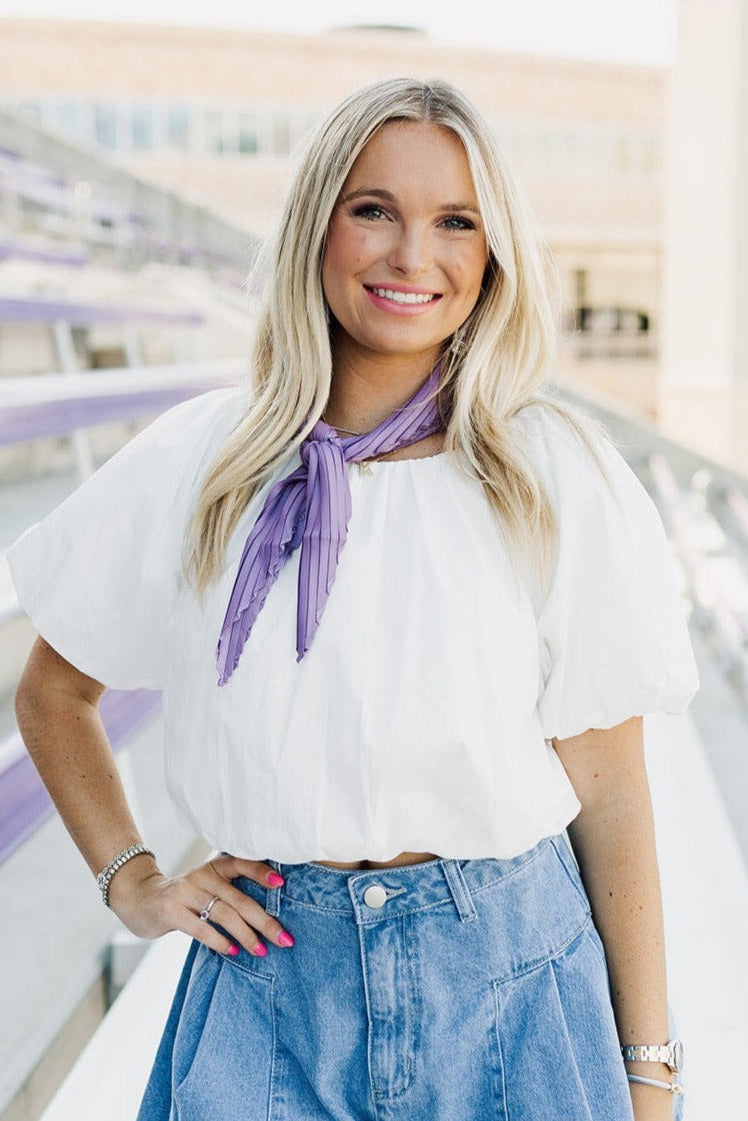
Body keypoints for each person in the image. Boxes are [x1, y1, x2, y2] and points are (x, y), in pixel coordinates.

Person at [8, 78, 698, 1121]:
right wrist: (132, 877)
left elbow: (609, 791)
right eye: (373, 208)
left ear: (492, 252)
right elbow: (54, 690)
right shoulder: (202, 463)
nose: (411, 255)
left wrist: (648, 1067)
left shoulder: (551, 475)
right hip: (267, 985)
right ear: (317, 227)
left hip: (513, 990)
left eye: (454, 220)